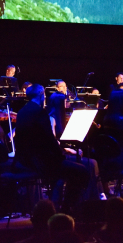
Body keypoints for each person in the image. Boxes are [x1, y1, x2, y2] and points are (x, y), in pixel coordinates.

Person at [14, 84, 89, 212]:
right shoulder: (40, 112)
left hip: (25, 160)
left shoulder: (21, 112)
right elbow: (49, 139)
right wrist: (61, 156)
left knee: (61, 174)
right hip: (40, 162)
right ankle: (67, 208)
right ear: (42, 95)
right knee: (82, 171)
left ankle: (56, 208)